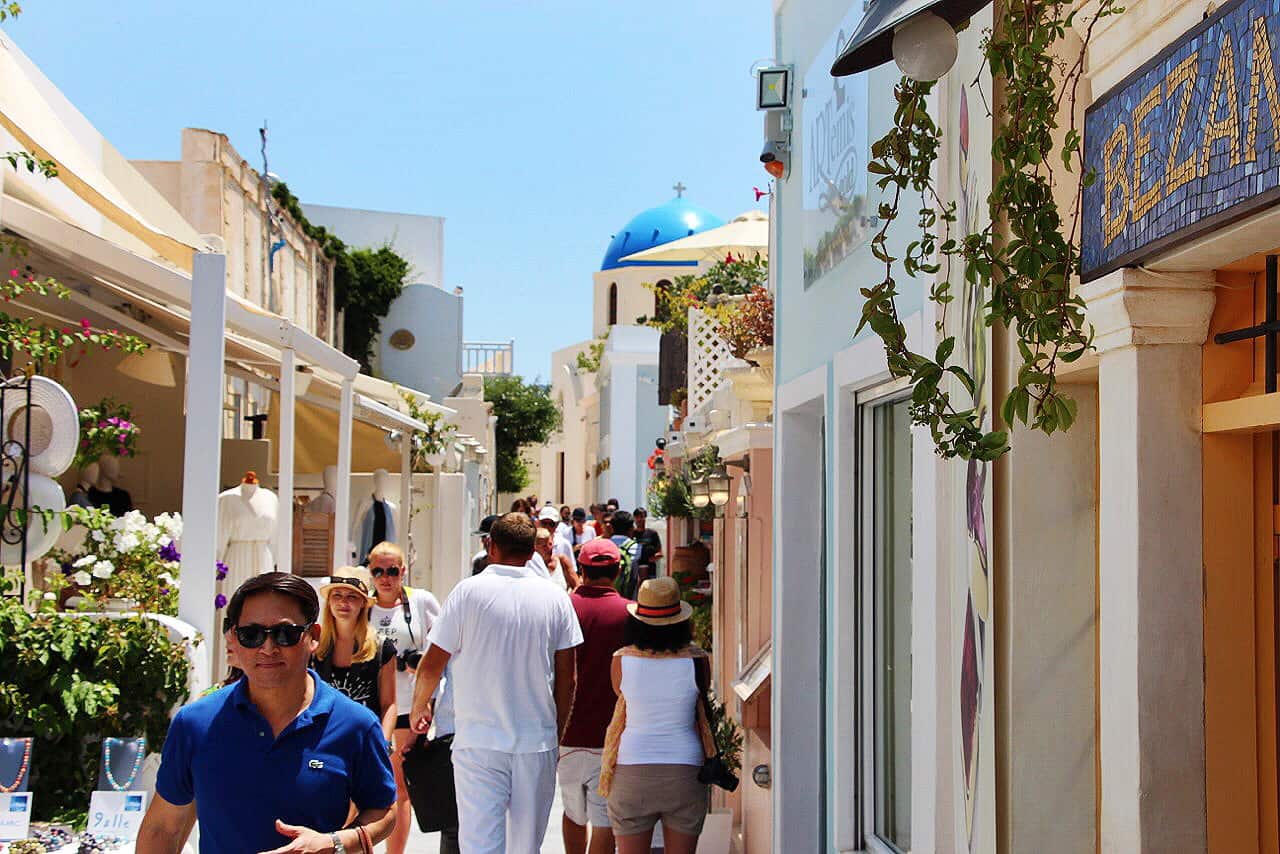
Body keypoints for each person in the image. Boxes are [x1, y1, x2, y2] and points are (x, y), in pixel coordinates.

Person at [136, 573, 396, 853]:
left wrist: (335, 843)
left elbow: (384, 810)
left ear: (313, 637)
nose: (268, 647)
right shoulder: (195, 723)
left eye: (286, 634)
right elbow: (162, 828)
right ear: (234, 639)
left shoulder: (356, 724)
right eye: (252, 635)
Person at [409, 514, 583, 854]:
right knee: (525, 847)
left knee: (478, 844)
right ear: (532, 551)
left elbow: (431, 665)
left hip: (477, 742)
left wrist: (419, 708)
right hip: (535, 742)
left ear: (491, 546)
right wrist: (557, 732)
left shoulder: (466, 593)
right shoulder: (555, 598)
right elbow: (569, 678)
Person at [599, 577, 714, 854]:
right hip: (685, 769)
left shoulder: (621, 660)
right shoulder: (698, 661)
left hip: (631, 769)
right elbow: (702, 694)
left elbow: (622, 697)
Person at [367, 542, 442, 854]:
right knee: (364, 786)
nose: (386, 578)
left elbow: (442, 650)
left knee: (398, 786)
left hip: (409, 706)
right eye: (378, 571)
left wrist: (418, 665)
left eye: (393, 570)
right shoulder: (363, 606)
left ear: (403, 570)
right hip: (370, 706)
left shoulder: (422, 601)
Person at [559, 539, 631, 854]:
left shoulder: (562, 607)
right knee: (605, 821)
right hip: (612, 735)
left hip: (565, 732)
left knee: (573, 813)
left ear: (582, 570)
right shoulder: (632, 613)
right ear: (617, 571)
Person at [314, 568, 398, 747]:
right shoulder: (314, 647)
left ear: (363, 603)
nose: (343, 602)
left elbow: (389, 704)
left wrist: (383, 742)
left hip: (365, 742)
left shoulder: (382, 648)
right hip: (323, 742)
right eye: (337, 595)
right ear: (328, 602)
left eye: (352, 596)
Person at [607, 510, 643, 599]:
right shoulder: (636, 547)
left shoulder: (604, 546)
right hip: (628, 598)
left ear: (611, 527)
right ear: (631, 529)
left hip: (608, 596)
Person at [632, 508, 663, 580]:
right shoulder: (631, 534)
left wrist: (653, 558)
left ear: (645, 517)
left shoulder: (652, 533)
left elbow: (660, 552)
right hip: (635, 570)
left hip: (650, 570)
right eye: (637, 517)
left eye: (642, 516)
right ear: (634, 518)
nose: (639, 519)